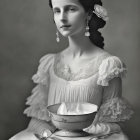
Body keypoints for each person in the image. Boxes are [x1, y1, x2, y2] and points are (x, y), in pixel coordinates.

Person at [9, 0, 134, 140]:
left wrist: (77, 131)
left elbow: (114, 125)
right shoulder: (49, 64)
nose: (62, 17)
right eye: (57, 11)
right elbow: (38, 119)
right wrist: (48, 135)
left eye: (71, 9)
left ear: (88, 14)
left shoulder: (109, 66)